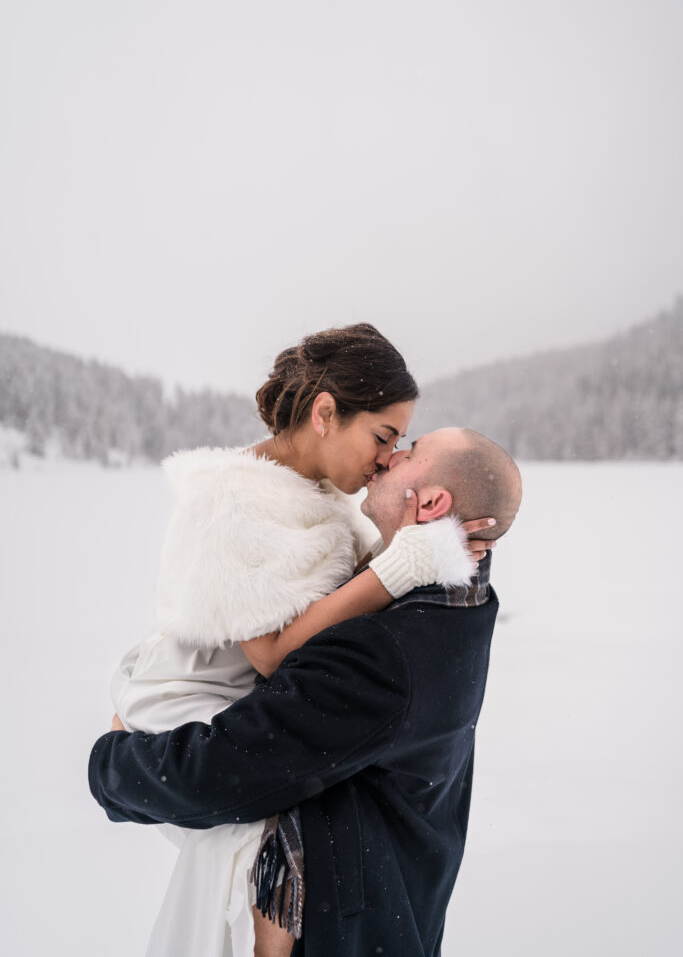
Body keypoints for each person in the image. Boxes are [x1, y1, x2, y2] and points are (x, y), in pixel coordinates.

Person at [107, 323, 491, 957]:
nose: (386, 458)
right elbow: (276, 654)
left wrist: (445, 551)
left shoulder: (330, 497)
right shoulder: (231, 502)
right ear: (324, 413)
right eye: (382, 435)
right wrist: (400, 566)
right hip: (195, 697)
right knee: (257, 853)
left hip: (250, 703)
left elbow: (363, 602)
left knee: (295, 831)